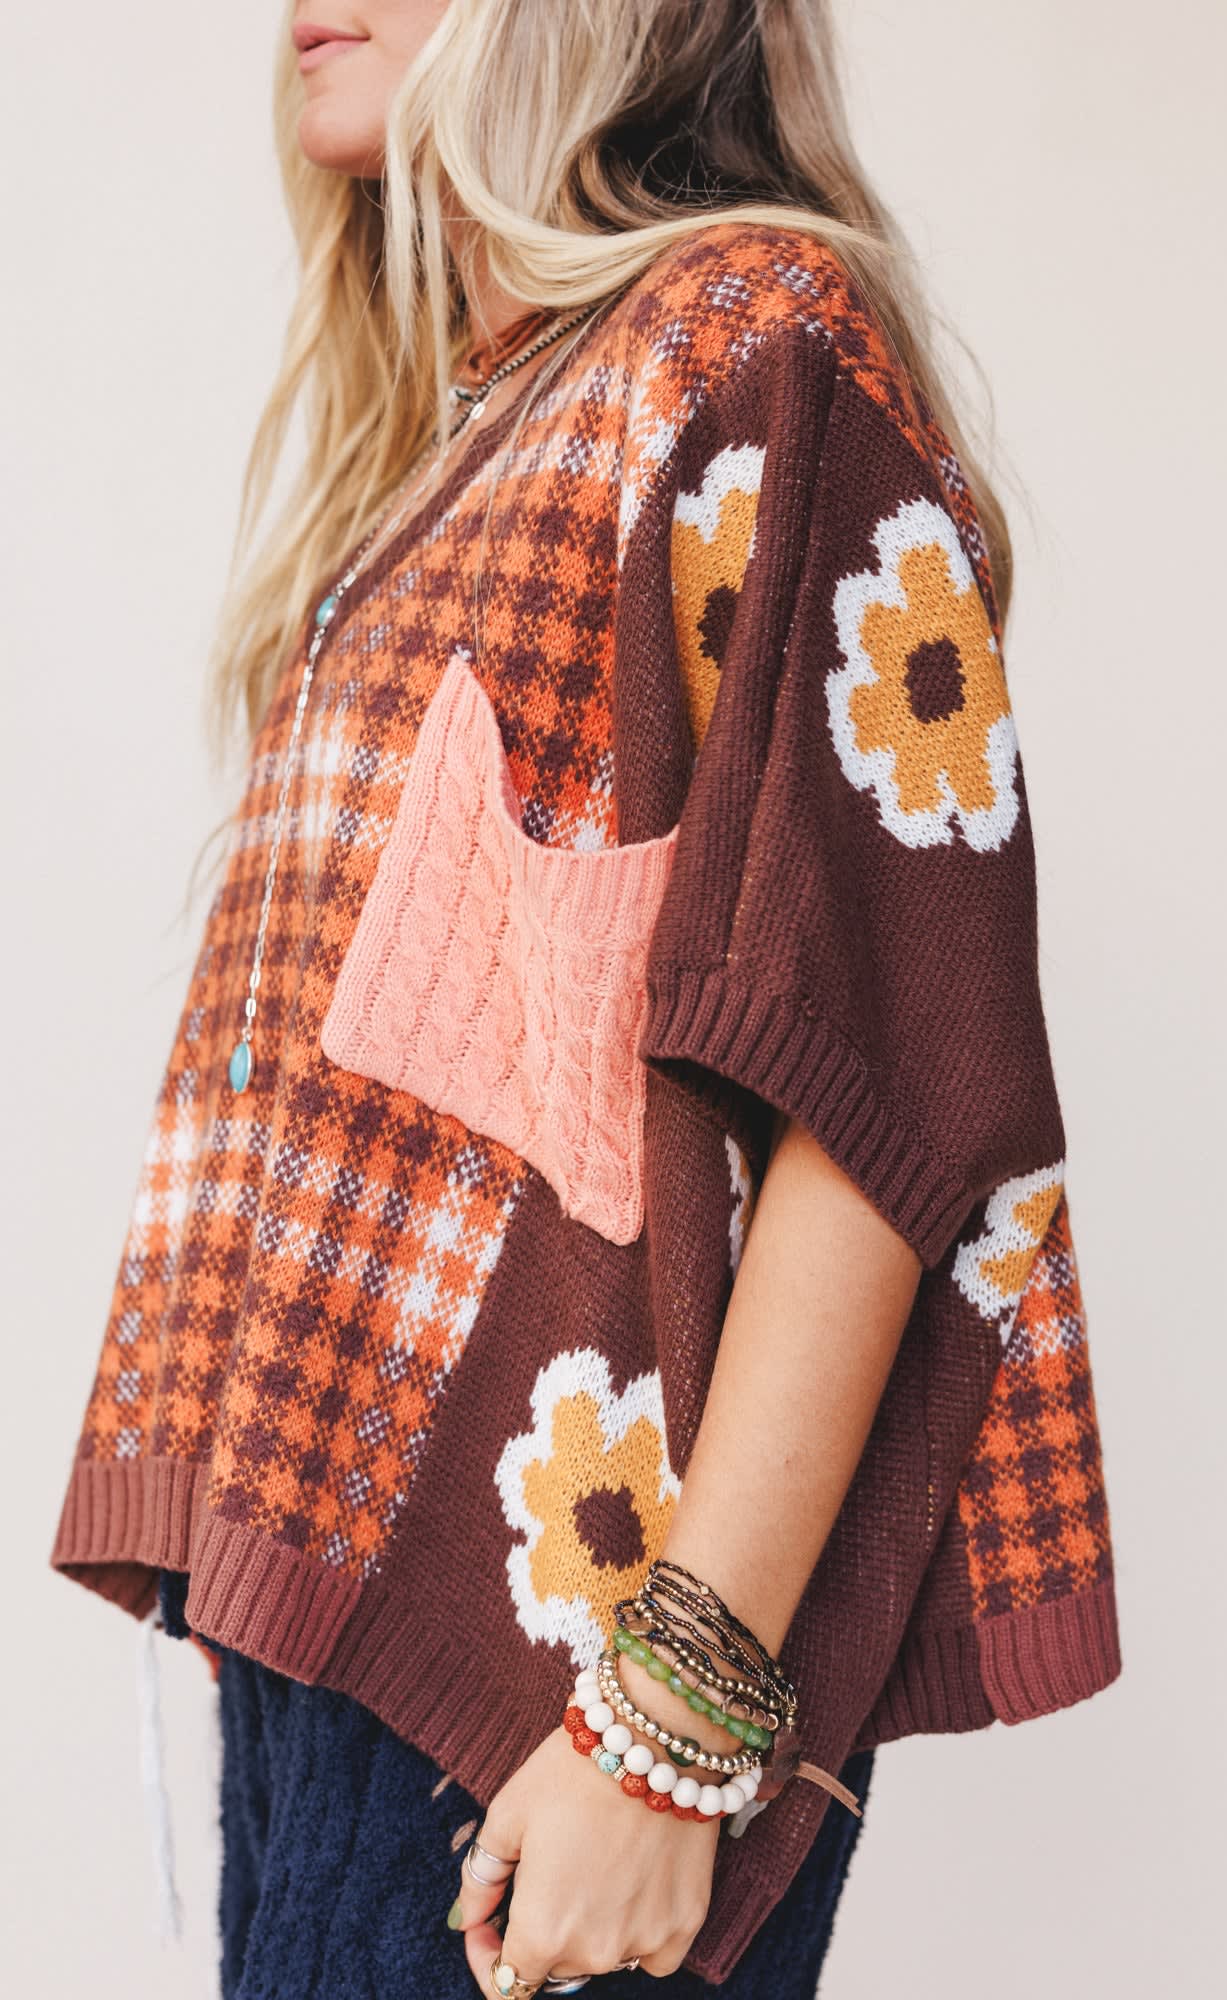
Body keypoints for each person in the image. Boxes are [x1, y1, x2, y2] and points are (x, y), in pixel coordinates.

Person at [49, 4, 1123, 1996]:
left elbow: (886, 1074)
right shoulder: (490, 425)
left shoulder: (755, 345)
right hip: (359, 1658)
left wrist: (667, 1723)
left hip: (565, 1693)